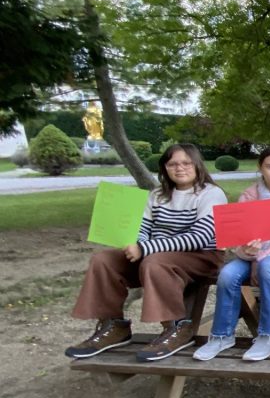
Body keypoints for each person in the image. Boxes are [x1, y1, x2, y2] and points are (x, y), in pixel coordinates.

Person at [66, 143, 227, 362]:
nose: (180, 168)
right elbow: (143, 229)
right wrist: (138, 245)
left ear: (198, 165)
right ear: (165, 168)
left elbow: (200, 237)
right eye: (172, 164)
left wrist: (145, 249)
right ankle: (114, 325)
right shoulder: (157, 194)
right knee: (103, 260)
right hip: (156, 255)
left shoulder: (212, 194)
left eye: (186, 163)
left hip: (202, 257)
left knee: (155, 262)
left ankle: (177, 328)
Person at [194, 147, 270, 361]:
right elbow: (238, 237)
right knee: (228, 274)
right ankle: (221, 336)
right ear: (260, 168)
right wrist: (246, 250)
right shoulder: (249, 195)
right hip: (253, 254)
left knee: (269, 266)